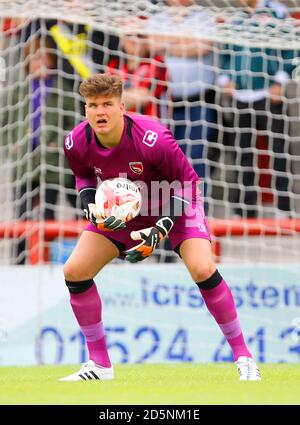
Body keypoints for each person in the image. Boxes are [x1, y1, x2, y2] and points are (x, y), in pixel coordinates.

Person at [60, 73, 261, 382]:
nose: (100, 112)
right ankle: (100, 365)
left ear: (122, 107)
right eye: (93, 105)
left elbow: (187, 182)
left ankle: (244, 357)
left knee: (202, 268)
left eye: (107, 104)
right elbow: (84, 174)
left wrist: (160, 229)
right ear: (85, 109)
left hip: (175, 202)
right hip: (126, 211)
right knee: (74, 271)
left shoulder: (153, 137)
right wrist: (89, 201)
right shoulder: (75, 140)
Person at [1, 37, 79, 264]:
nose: (39, 64)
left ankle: (53, 258)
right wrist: (12, 144)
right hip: (26, 163)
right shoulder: (19, 92)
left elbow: (74, 123)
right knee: (22, 213)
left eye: (44, 58)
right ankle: (19, 261)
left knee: (49, 211)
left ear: (52, 60)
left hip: (54, 164)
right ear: (27, 62)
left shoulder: (62, 89)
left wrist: (61, 142)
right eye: (35, 59)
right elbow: (4, 123)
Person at [218, 0, 295, 218]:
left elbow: (292, 48)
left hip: (269, 94)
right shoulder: (235, 18)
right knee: (244, 153)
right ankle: (245, 209)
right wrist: (226, 79)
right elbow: (225, 54)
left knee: (278, 151)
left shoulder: (277, 12)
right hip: (242, 96)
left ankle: (284, 209)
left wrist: (281, 81)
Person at [147, 0, 218, 181]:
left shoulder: (205, 18)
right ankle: (172, 208)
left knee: (195, 159)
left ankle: (197, 208)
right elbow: (152, 46)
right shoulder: (156, 18)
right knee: (165, 160)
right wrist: (185, 39)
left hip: (199, 100)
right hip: (165, 103)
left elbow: (202, 47)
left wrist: (168, 40)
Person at [107, 31, 168, 118]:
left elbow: (144, 96)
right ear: (122, 40)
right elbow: (105, 95)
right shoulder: (114, 65)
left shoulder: (156, 63)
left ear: (147, 40)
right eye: (128, 35)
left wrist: (114, 98)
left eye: (139, 35)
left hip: (150, 127)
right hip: (121, 124)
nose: (133, 39)